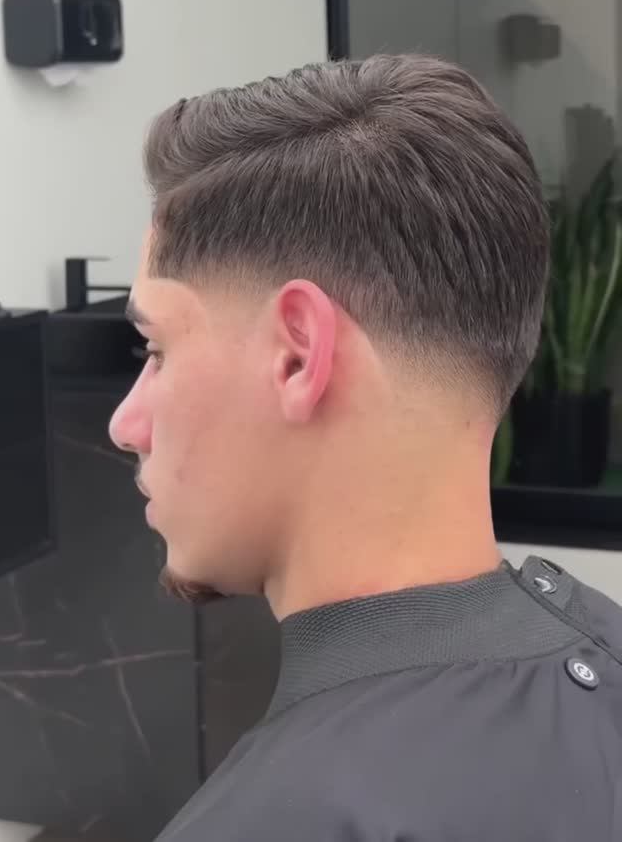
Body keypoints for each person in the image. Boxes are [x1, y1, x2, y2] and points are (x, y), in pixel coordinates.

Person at [109, 54, 622, 841]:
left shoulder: (272, 821)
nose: (126, 422)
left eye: (155, 349)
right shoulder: (605, 658)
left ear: (297, 355)